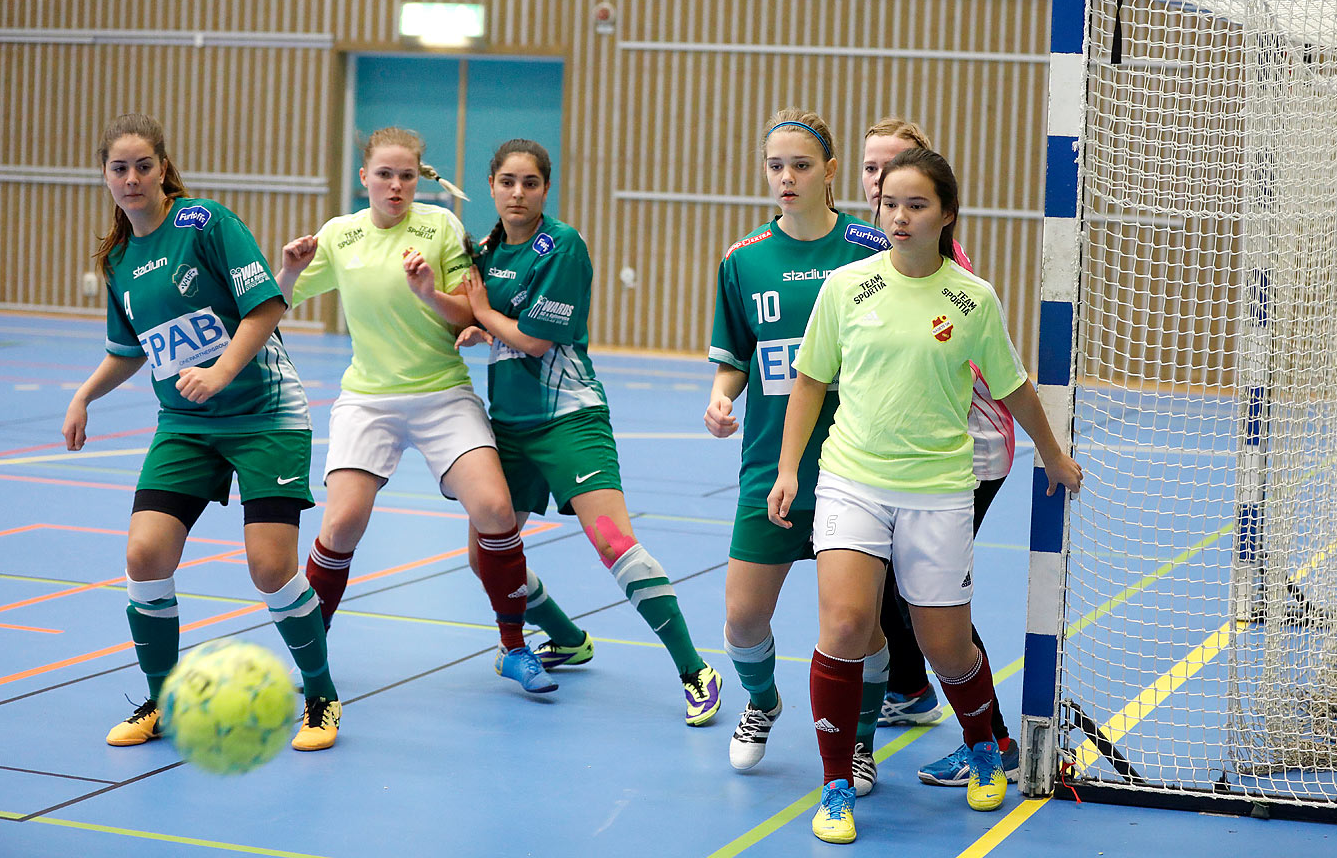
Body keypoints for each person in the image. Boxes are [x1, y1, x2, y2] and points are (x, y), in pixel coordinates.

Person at [768, 147, 1083, 844]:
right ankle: (836, 784)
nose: (899, 216)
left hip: (939, 489)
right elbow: (812, 379)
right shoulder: (847, 287)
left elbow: (1010, 385)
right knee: (847, 624)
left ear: (945, 215)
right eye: (889, 204)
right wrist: (790, 468)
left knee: (946, 648)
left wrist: (1053, 455)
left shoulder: (973, 298)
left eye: (916, 205)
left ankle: (982, 746)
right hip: (852, 480)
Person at [64, 112, 341, 752]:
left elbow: (266, 306)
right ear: (105, 176)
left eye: (142, 166)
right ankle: (160, 699)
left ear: (163, 169)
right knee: (144, 555)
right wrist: (83, 395)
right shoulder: (119, 259)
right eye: (118, 168)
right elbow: (129, 350)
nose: (131, 179)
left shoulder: (205, 223)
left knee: (271, 568)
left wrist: (218, 373)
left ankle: (322, 696)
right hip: (186, 425)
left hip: (265, 415)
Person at [276, 126, 570, 696]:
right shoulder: (340, 235)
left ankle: (513, 648)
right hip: (369, 399)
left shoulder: (440, 228)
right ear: (364, 177)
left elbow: (470, 315)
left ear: (419, 179)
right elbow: (278, 299)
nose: (395, 185)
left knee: (494, 508)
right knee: (340, 524)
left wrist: (428, 292)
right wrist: (289, 268)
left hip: (442, 393)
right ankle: (312, 651)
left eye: (406, 175)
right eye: (384, 174)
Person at [458, 138, 722, 725]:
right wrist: (479, 326)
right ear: (492, 186)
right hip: (508, 428)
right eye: (507, 181)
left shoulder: (563, 246)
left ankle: (694, 670)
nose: (518, 193)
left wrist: (482, 315)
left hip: (569, 419)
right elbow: (500, 326)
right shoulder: (487, 248)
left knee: (612, 541)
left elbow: (534, 339)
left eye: (530, 182)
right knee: (485, 558)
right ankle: (567, 637)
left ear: (545, 188)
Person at [704, 110, 890, 791]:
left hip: (856, 465)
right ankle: (762, 702)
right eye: (776, 165)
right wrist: (722, 395)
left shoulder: (870, 248)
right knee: (744, 616)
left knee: (854, 623)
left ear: (831, 171)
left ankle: (861, 740)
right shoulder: (744, 258)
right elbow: (736, 357)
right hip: (769, 466)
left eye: (802, 166)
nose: (787, 177)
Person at [860, 118, 1020, 787]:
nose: (883, 188)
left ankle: (997, 742)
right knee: (898, 585)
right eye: (872, 173)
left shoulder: (945, 274)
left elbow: (995, 379)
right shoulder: (875, 262)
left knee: (933, 599)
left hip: (968, 449)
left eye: (894, 171)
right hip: (915, 453)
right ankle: (912, 689)